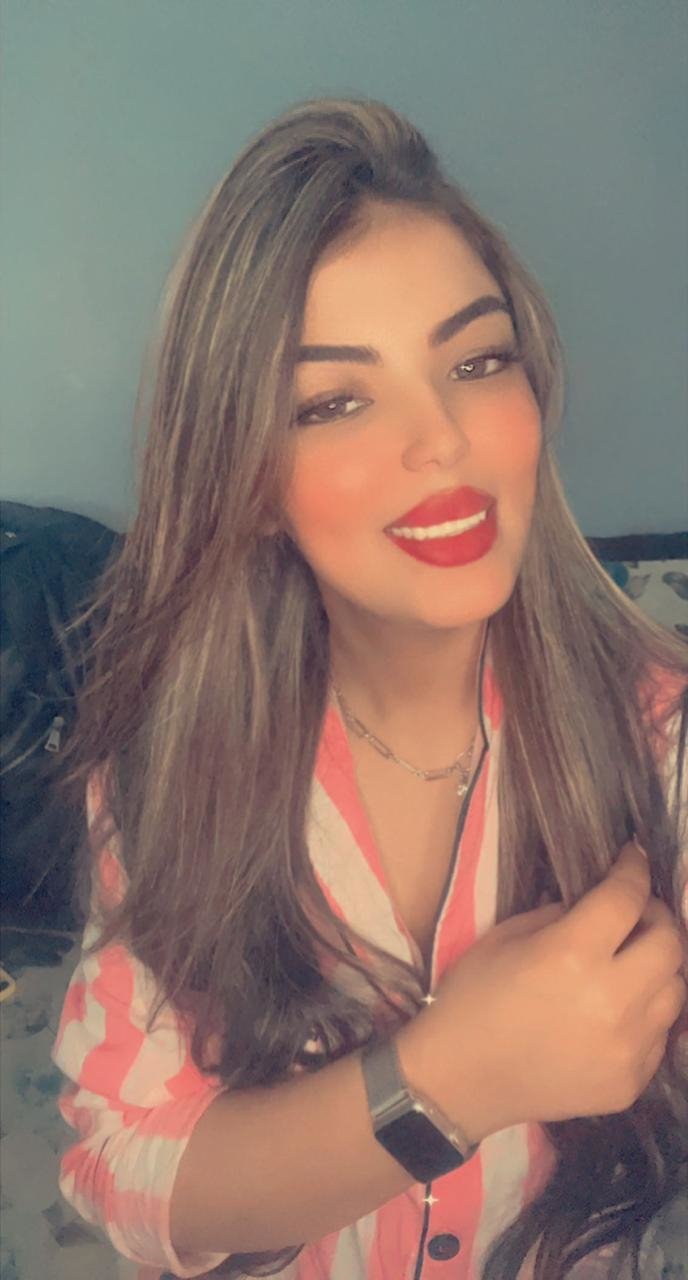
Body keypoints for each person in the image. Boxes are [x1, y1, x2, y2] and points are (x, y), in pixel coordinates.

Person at [50, 97, 688, 1280]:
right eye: (334, 401)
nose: (440, 438)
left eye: (476, 361)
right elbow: (125, 1164)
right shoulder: (166, 760)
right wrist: (450, 1078)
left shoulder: (661, 741)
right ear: (246, 474)